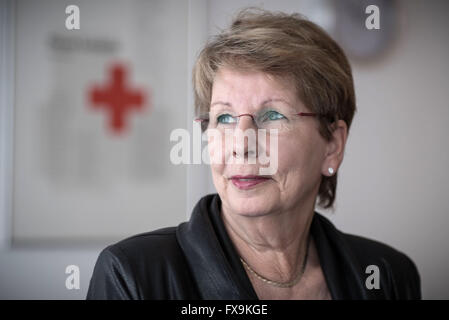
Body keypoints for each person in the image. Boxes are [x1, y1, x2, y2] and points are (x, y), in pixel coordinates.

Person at [87, 8, 421, 300]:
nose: (242, 143)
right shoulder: (132, 276)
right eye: (225, 118)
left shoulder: (388, 275)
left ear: (332, 144)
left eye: (273, 115)